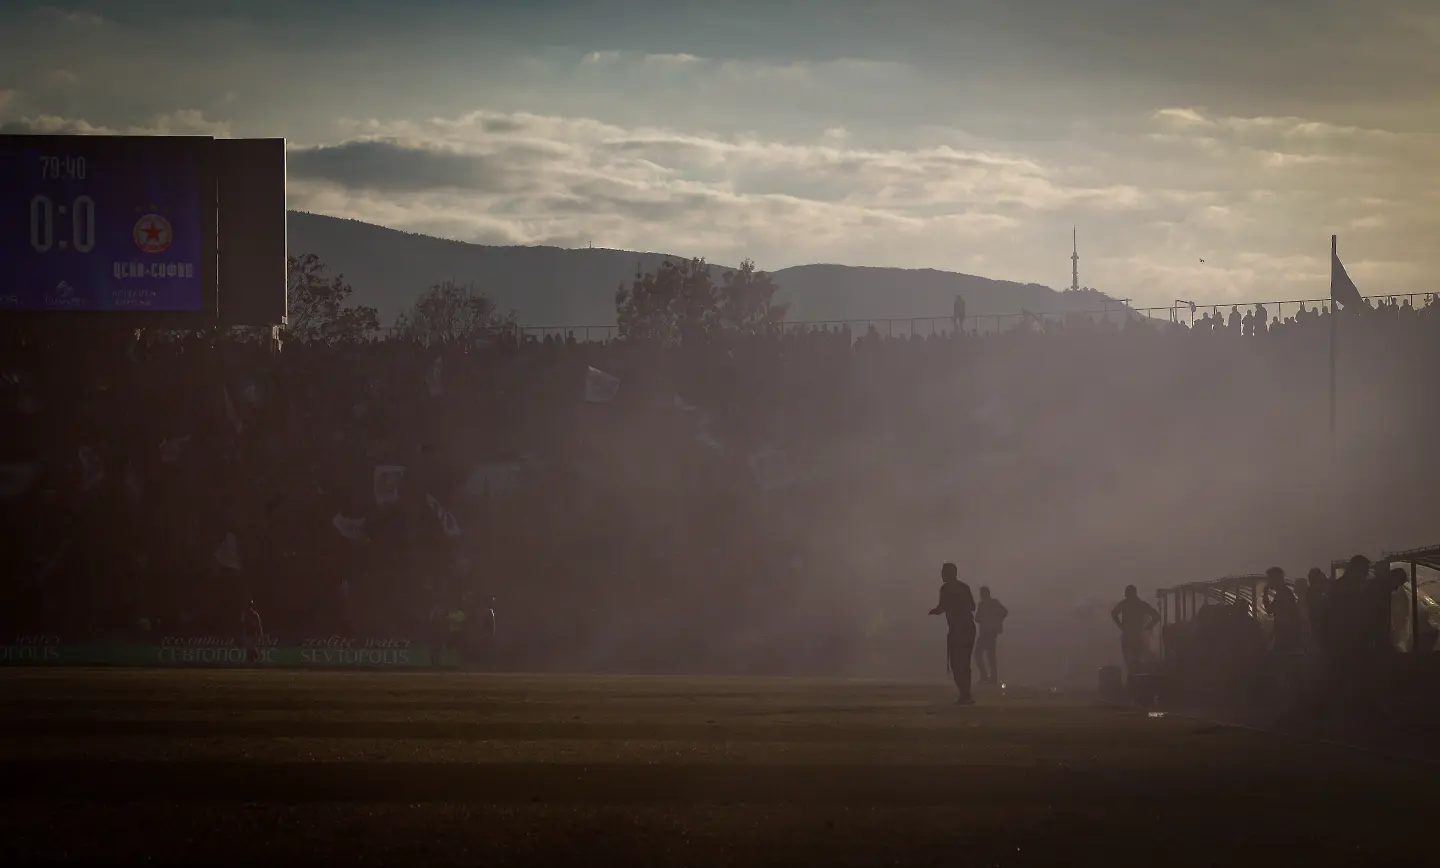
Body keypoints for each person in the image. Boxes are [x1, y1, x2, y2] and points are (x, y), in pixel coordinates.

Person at [928, 562, 977, 704]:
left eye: (943, 572)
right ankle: (966, 694)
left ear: (948, 574)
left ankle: (965, 694)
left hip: (957, 629)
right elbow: (972, 606)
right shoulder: (964, 587)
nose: (941, 575)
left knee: (956, 663)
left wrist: (935, 611)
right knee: (965, 662)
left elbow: (941, 607)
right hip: (969, 628)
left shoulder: (945, 588)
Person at [1111, 585, 1159, 682]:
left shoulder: (1125, 604)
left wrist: (1120, 625)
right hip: (1137, 635)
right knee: (1136, 661)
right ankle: (1136, 681)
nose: (1125, 595)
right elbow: (1156, 616)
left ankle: (1134, 681)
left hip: (1130, 636)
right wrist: (1149, 626)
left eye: (1127, 593)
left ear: (1129, 593)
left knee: (1131, 661)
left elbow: (1114, 613)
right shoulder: (1141, 604)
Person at [974, 586, 1009, 685]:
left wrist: (997, 621)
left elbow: (1004, 612)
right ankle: (988, 677)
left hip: (989, 633)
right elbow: (977, 618)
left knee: (987, 656)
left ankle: (990, 678)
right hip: (987, 633)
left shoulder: (993, 603)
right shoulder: (985, 604)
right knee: (983, 655)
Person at [241, 599, 264, 665]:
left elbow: (259, 625)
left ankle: (253, 660)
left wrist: (260, 633)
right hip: (249, 633)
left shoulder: (255, 615)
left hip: (253, 633)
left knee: (251, 648)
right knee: (249, 649)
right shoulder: (245, 614)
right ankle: (251, 661)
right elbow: (243, 625)